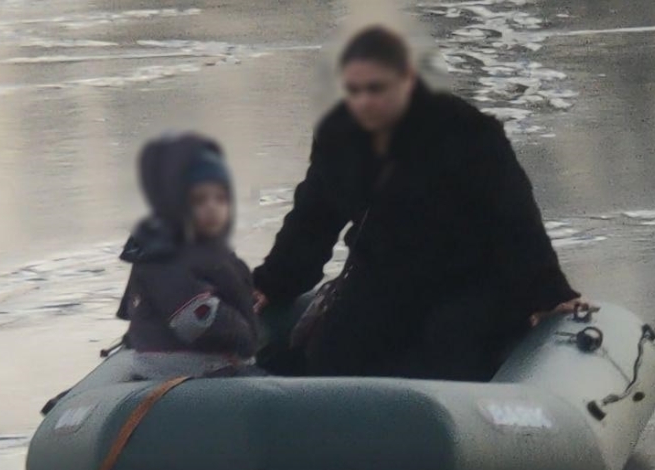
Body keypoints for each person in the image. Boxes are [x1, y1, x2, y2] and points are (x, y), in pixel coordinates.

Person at [252, 26, 590, 382]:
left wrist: (549, 292)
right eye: (354, 91)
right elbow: (313, 220)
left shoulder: (469, 134)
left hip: (472, 279)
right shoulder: (339, 137)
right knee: (334, 351)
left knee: (448, 344)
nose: (364, 101)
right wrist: (274, 282)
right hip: (386, 275)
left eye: (376, 89)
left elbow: (515, 221)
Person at [114, 132, 260, 379]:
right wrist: (243, 332)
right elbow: (195, 320)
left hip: (195, 360)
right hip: (189, 366)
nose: (212, 207)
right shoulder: (165, 256)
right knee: (270, 397)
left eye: (220, 199)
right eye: (200, 200)